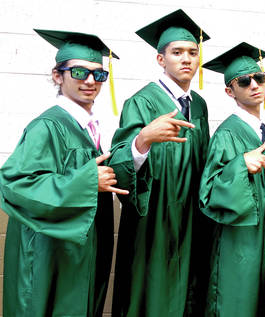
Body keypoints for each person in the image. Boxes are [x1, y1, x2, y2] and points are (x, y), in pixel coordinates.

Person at [0, 29, 126, 316]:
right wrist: (85, 181)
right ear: (58, 75)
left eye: (99, 74)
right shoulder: (46, 126)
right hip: (48, 254)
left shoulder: (87, 127)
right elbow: (14, 183)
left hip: (77, 252)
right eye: (79, 72)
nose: (91, 81)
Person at [107, 9, 211, 316]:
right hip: (153, 221)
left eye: (193, 52)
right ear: (160, 59)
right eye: (177, 52)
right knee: (150, 296)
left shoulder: (200, 105)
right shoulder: (141, 102)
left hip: (191, 221)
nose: (187, 59)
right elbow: (120, 165)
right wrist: (142, 141)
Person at [199, 42, 265, 317]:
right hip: (238, 245)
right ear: (229, 90)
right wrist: (240, 165)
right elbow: (208, 193)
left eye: (259, 78)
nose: (254, 85)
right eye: (244, 81)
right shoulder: (227, 134)